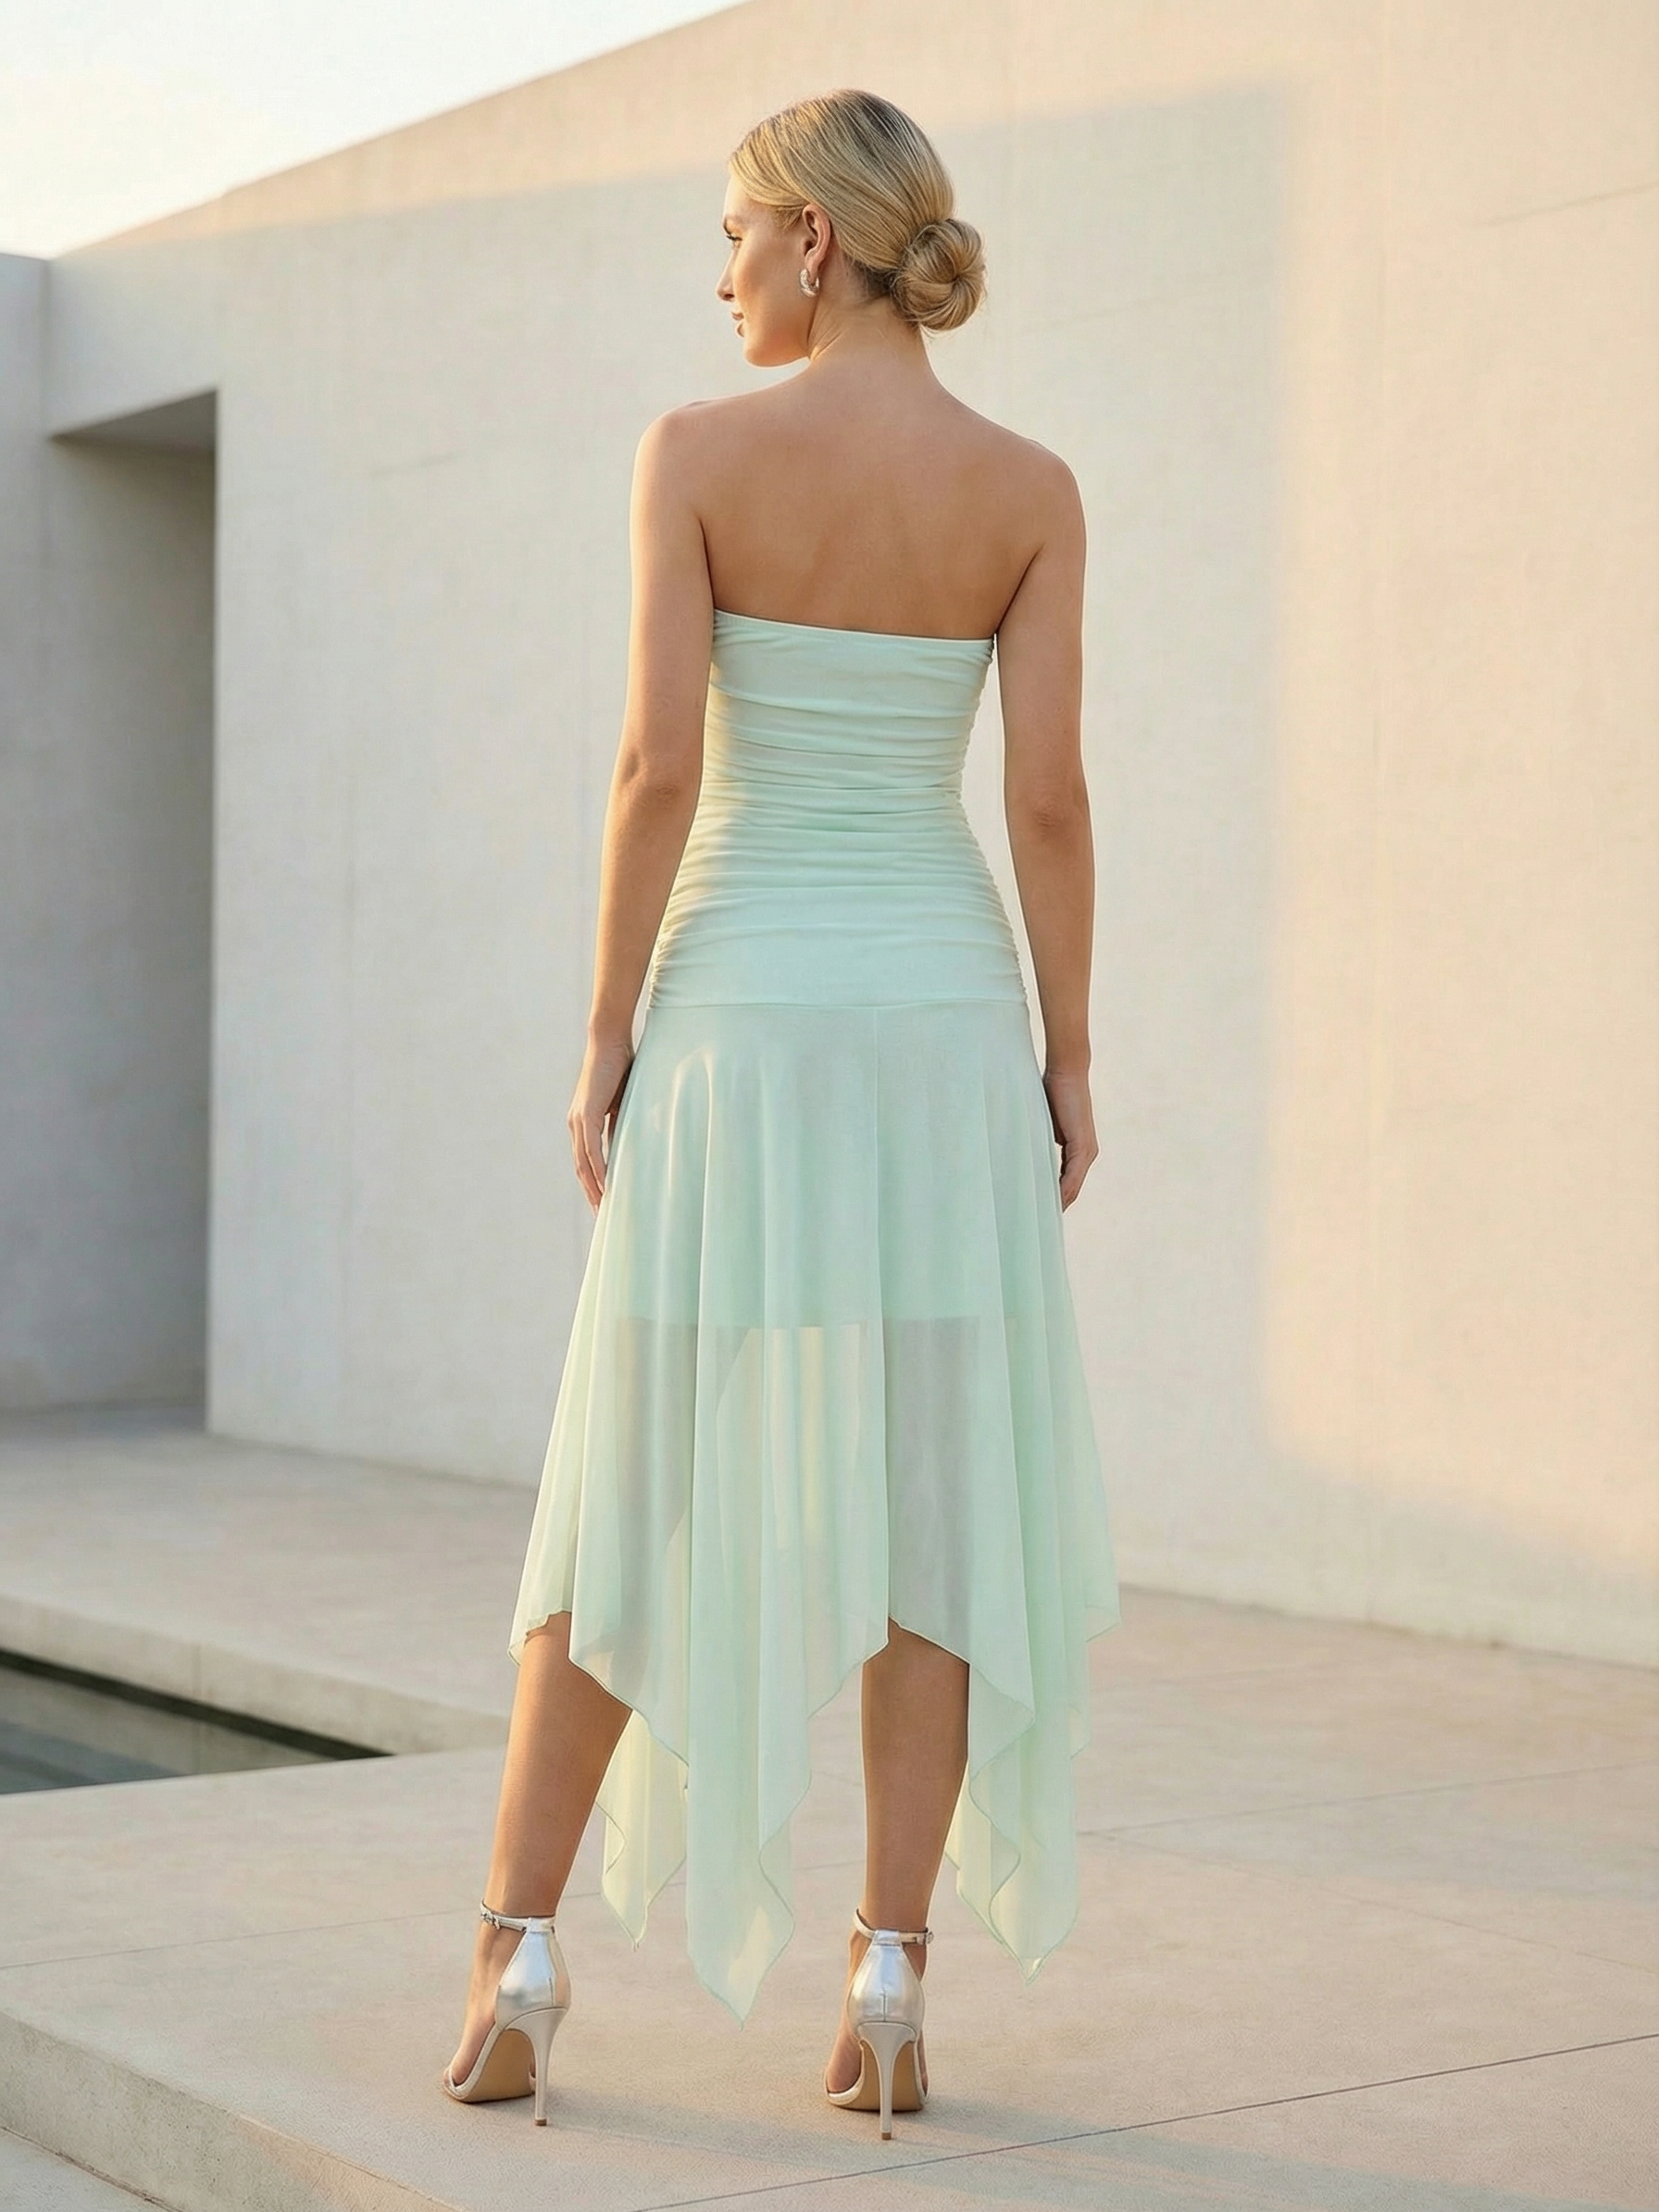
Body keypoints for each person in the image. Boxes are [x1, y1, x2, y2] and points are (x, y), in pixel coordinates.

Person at [442, 87, 1119, 2136]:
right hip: (932, 1021)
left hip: (734, 1014)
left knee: (625, 1478)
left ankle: (518, 1953)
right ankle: (891, 1974)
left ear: (812, 243)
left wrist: (601, 1034)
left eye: (732, 233)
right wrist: (1069, 1054)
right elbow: (1049, 803)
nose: (718, 271)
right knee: (930, 1505)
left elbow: (656, 768)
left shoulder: (697, 455)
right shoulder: (1027, 486)